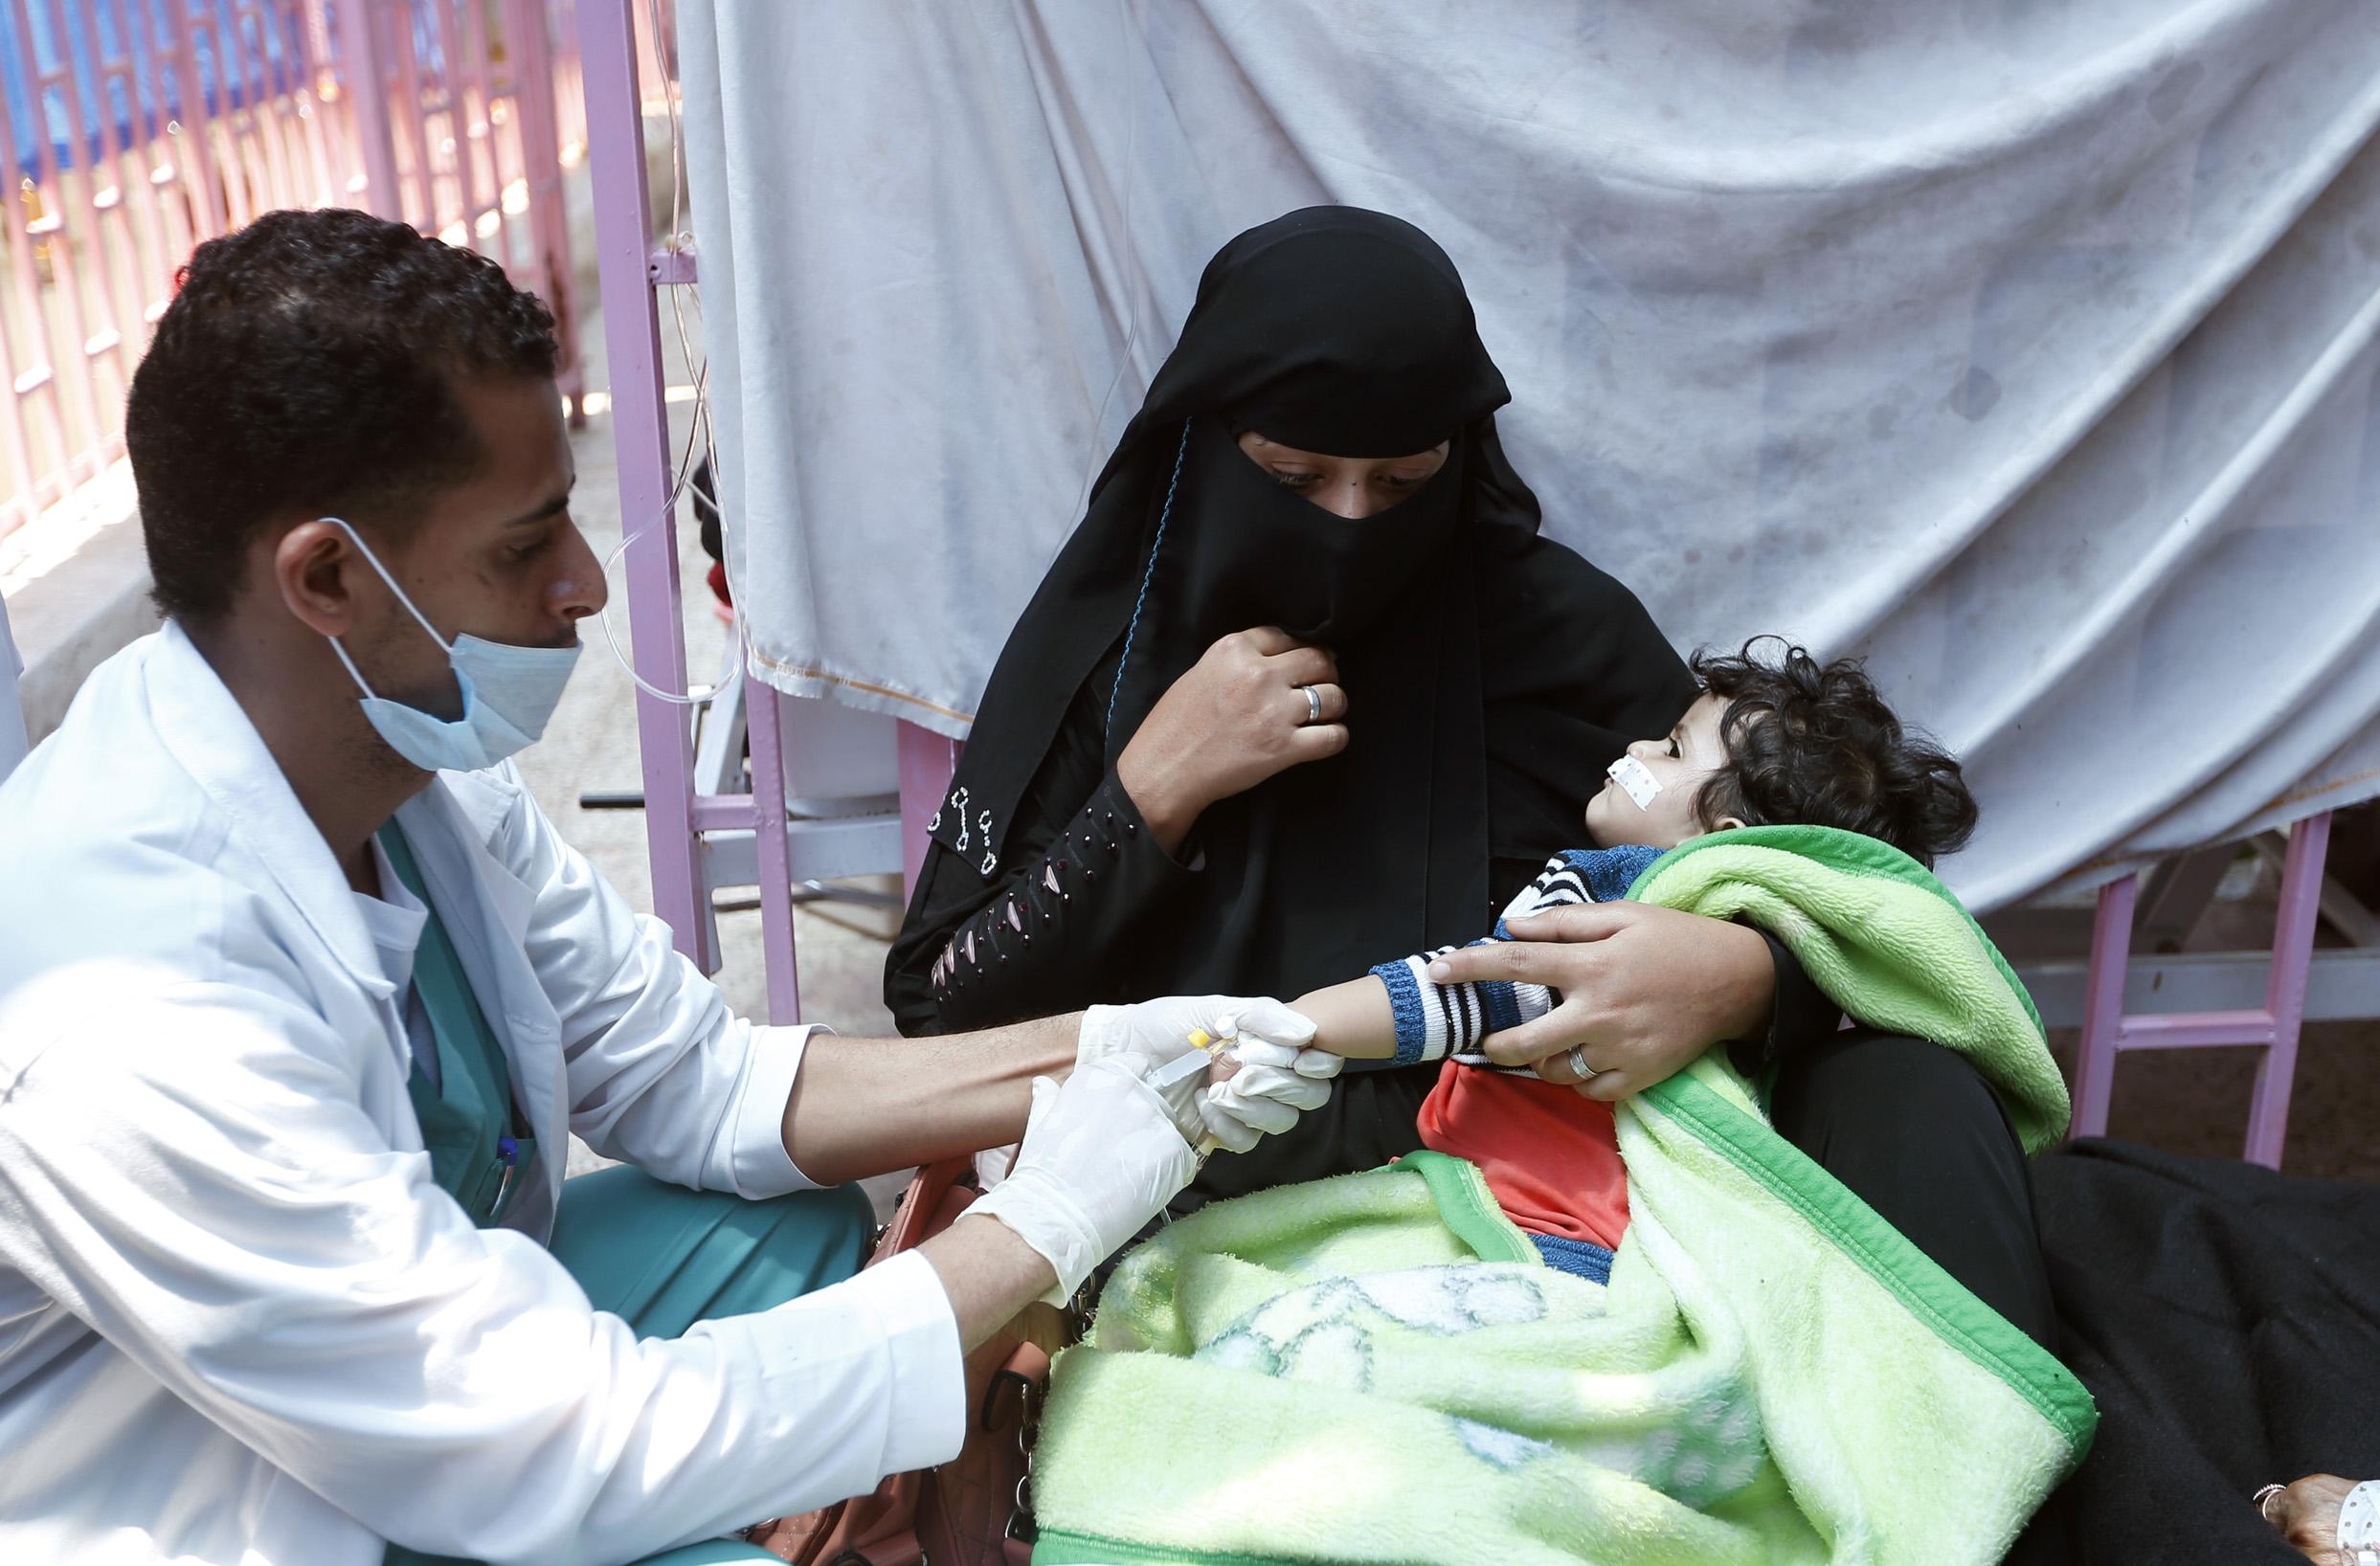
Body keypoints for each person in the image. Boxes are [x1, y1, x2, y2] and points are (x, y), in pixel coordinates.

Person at [0, 209, 1331, 1566]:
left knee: (770, 1232)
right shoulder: (132, 1010)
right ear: (329, 575)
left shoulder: (401, 767)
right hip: (213, 1500)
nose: (582, 586)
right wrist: (1045, 1221)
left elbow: (697, 1079)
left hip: (404, 1380)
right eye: (524, 549)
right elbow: (558, 1446)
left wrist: (1109, 1056)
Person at [887, 206, 1825, 1210]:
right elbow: (946, 1010)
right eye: (1291, 477)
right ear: (1204, 445)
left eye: (1400, 481)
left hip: (1521, 1220)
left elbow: (1818, 882)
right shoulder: (1117, 656)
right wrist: (1153, 788)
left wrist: (1742, 974)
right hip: (1143, 1214)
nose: (1344, 527)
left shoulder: (1555, 637)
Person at [1286, 640, 2042, 1309]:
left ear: (1724, 837)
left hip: (1541, 1223)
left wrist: (1282, 1030)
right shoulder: (1813, 950)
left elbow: (1468, 990)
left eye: (1674, 750)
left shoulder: (1616, 892)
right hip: (1677, 1253)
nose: (1638, 748)